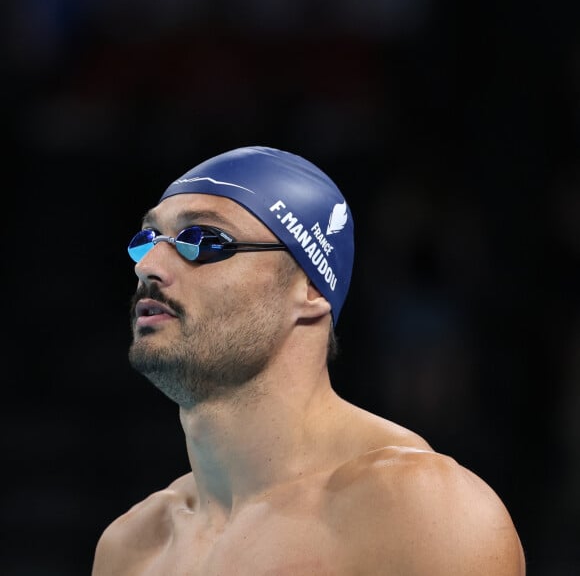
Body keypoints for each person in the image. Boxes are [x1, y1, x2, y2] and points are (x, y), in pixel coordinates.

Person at [92, 146, 526, 575]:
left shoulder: (421, 513)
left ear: (311, 289)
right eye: (147, 239)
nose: (148, 266)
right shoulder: (130, 550)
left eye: (202, 241)